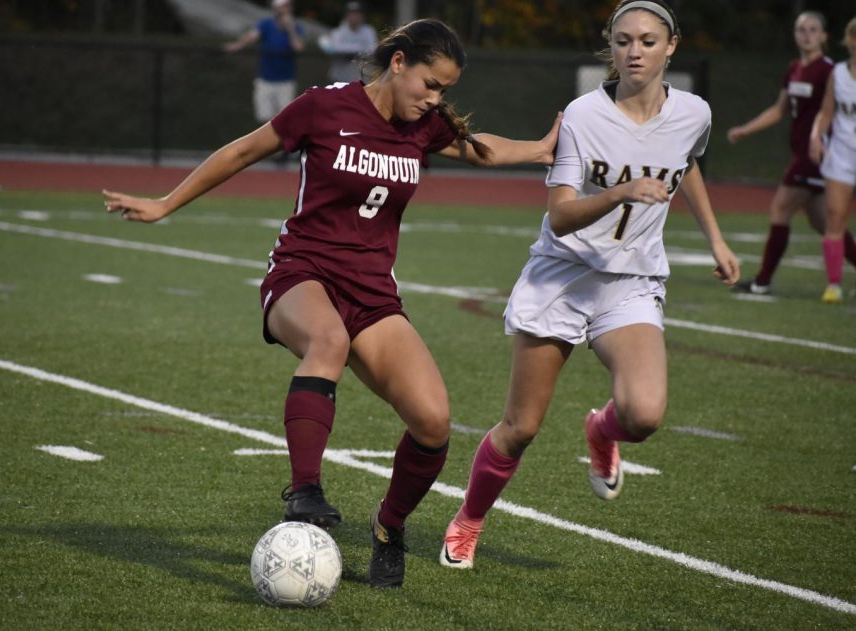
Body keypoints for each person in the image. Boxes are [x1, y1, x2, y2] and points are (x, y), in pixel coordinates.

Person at [103, 19, 560, 589]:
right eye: (430, 83)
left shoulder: (424, 126)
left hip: (372, 291)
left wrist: (540, 150)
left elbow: (481, 150)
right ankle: (304, 490)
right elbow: (243, 150)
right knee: (328, 341)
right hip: (301, 272)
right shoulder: (323, 107)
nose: (435, 99)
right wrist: (164, 204)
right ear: (398, 63)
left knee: (433, 422)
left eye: (445, 90)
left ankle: (389, 526)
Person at [439, 0, 739, 571]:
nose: (635, 52)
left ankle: (602, 431)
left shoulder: (695, 112)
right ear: (611, 46)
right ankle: (468, 520)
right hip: (563, 278)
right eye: (624, 41)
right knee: (520, 427)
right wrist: (620, 193)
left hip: (629, 281)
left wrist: (716, 240)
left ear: (671, 46)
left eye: (649, 41)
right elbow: (560, 216)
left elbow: (688, 164)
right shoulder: (583, 114)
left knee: (644, 414)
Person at [727, 12, 856, 296]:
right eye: (801, 30)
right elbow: (780, 109)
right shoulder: (795, 68)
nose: (806, 35)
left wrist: (821, 142)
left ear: (824, 36)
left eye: (813, 30)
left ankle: (762, 281)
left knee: (780, 208)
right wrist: (746, 129)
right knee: (824, 221)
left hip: (818, 156)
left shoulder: (829, 70)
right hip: (802, 152)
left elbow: (833, 113)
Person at [810, 17, 856, 304]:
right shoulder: (838, 73)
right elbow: (826, 113)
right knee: (835, 217)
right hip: (841, 153)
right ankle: (834, 284)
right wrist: (817, 137)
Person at [223, 0, 304, 128]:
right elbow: (252, 36)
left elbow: (298, 47)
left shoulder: (295, 27)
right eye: (283, 6)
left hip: (286, 81)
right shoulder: (266, 24)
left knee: (285, 118)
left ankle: (284, 147)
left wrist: (290, 29)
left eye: (288, 6)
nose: (286, 9)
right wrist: (237, 45)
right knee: (264, 118)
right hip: (265, 80)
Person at [319, 1, 378, 84]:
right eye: (352, 14)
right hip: (340, 78)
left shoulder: (368, 31)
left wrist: (350, 49)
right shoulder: (338, 32)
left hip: (361, 78)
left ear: (362, 16)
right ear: (347, 16)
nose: (355, 17)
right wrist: (358, 49)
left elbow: (372, 50)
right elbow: (332, 48)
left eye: (358, 14)